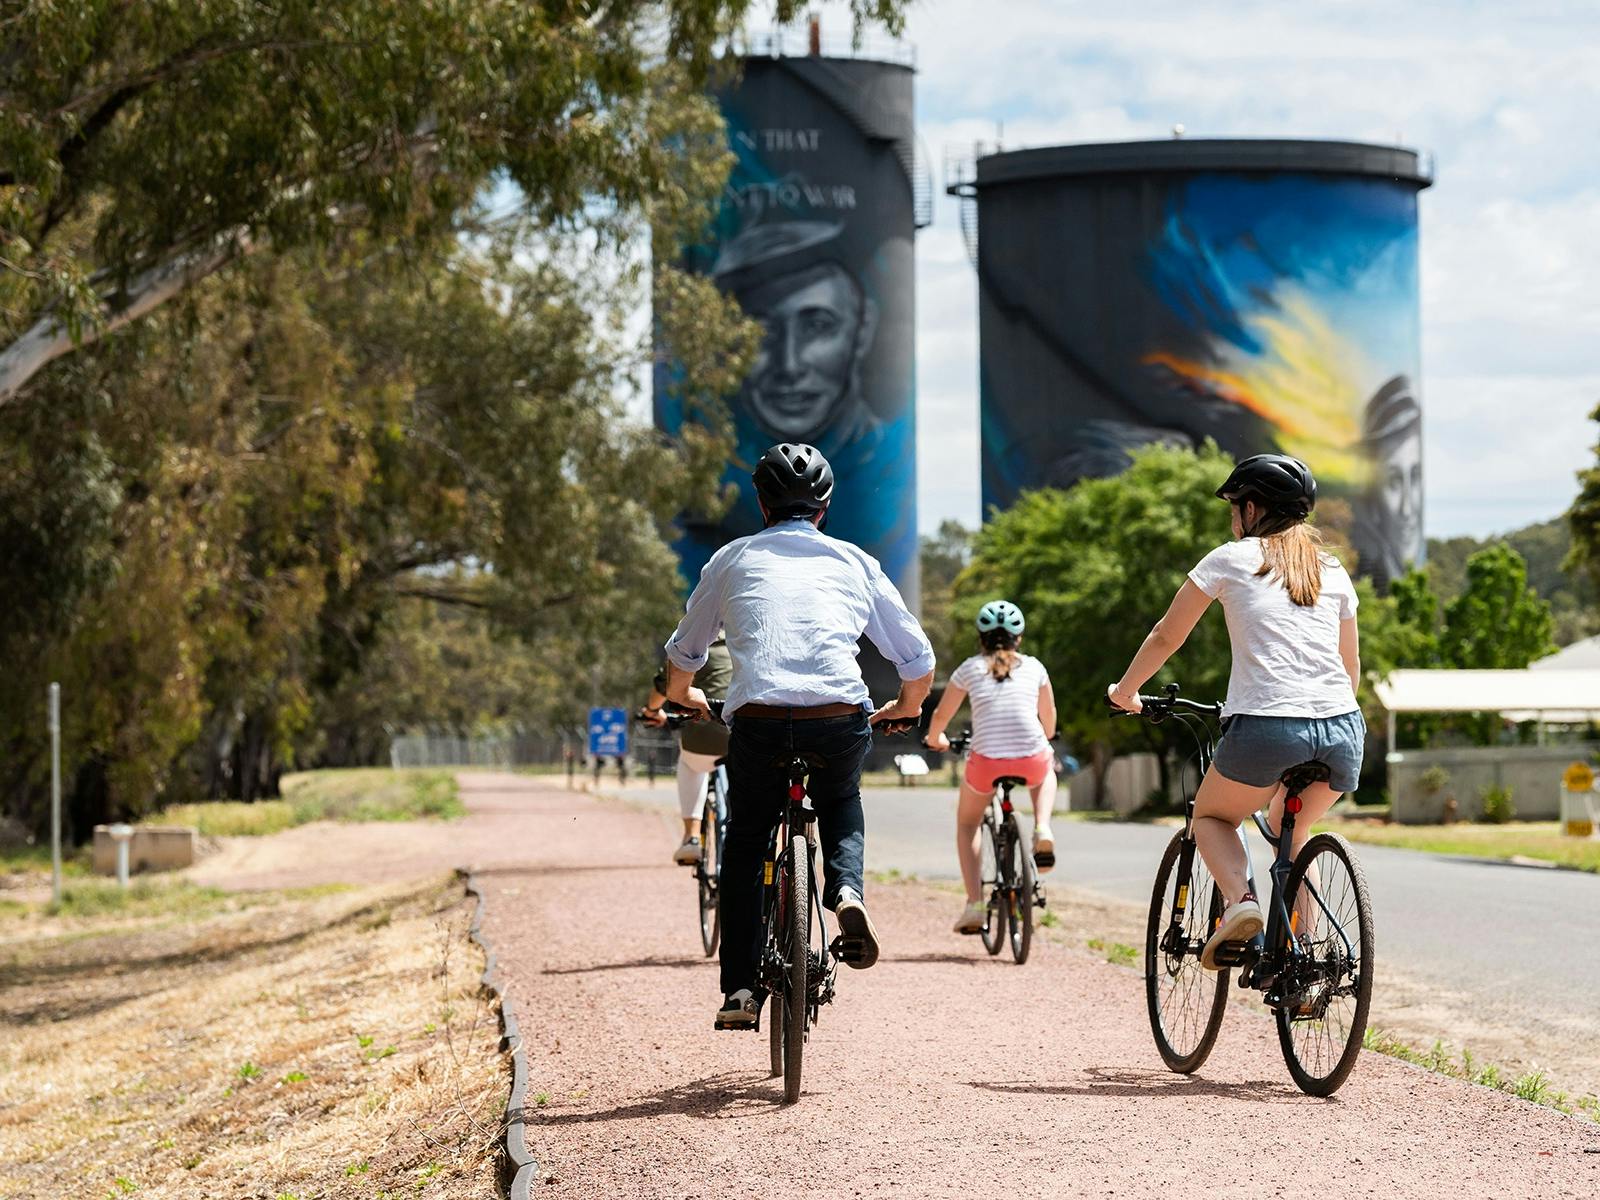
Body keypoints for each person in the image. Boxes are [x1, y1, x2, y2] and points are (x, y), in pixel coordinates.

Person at [662, 442, 935, 1029]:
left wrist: (682, 694)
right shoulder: (855, 561)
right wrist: (905, 706)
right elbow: (917, 658)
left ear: (761, 504)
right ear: (824, 508)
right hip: (838, 717)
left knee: (744, 844)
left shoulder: (731, 559)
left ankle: (738, 990)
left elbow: (684, 651)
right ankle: (847, 893)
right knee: (840, 799)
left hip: (757, 722)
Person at [1106, 453, 1364, 968]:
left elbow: (1166, 636)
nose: (1232, 519)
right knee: (1291, 832)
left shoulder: (1229, 559)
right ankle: (1305, 958)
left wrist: (1126, 691)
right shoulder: (1332, 570)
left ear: (1251, 508)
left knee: (1213, 816)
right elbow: (1349, 663)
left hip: (1268, 726)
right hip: (1343, 730)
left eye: (1233, 508)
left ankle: (1242, 905)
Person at [923, 601, 1059, 934]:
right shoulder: (1035, 668)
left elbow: (941, 716)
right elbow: (1050, 720)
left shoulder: (969, 669)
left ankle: (974, 905)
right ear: (1019, 638)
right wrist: (1046, 735)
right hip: (1030, 756)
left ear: (981, 638)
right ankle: (1042, 828)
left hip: (985, 760)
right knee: (1046, 768)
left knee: (968, 823)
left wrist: (936, 738)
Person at [641, 635, 733, 865]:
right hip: (747, 733)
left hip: (704, 734)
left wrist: (652, 712)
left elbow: (665, 685)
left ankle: (691, 837)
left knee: (690, 763)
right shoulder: (748, 639)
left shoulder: (695, 639)